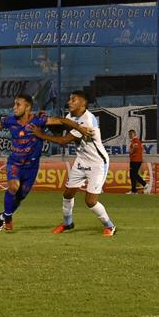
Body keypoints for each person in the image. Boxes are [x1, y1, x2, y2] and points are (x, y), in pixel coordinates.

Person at [0, 94, 90, 232]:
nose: (14, 107)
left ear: (28, 107)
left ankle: (4, 216)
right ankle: (8, 217)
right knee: (13, 187)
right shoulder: (10, 121)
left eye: (18, 105)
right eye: (14, 104)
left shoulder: (38, 120)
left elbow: (61, 120)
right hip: (15, 163)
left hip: (31, 167)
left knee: (20, 197)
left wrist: (80, 128)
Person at [30, 90, 117, 237]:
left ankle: (110, 226)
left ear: (83, 103)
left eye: (73, 99)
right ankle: (67, 223)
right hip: (81, 160)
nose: (69, 102)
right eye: (69, 99)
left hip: (97, 163)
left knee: (90, 201)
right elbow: (59, 126)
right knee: (68, 194)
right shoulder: (71, 116)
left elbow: (64, 140)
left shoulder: (87, 120)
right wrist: (44, 120)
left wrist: (41, 135)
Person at [127, 129, 147, 194]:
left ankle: (145, 184)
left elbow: (136, 147)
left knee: (133, 174)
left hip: (135, 160)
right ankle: (134, 191)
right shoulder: (136, 141)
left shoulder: (135, 140)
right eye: (129, 134)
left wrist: (131, 152)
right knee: (133, 175)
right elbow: (141, 149)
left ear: (134, 134)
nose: (130, 135)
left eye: (131, 134)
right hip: (136, 160)